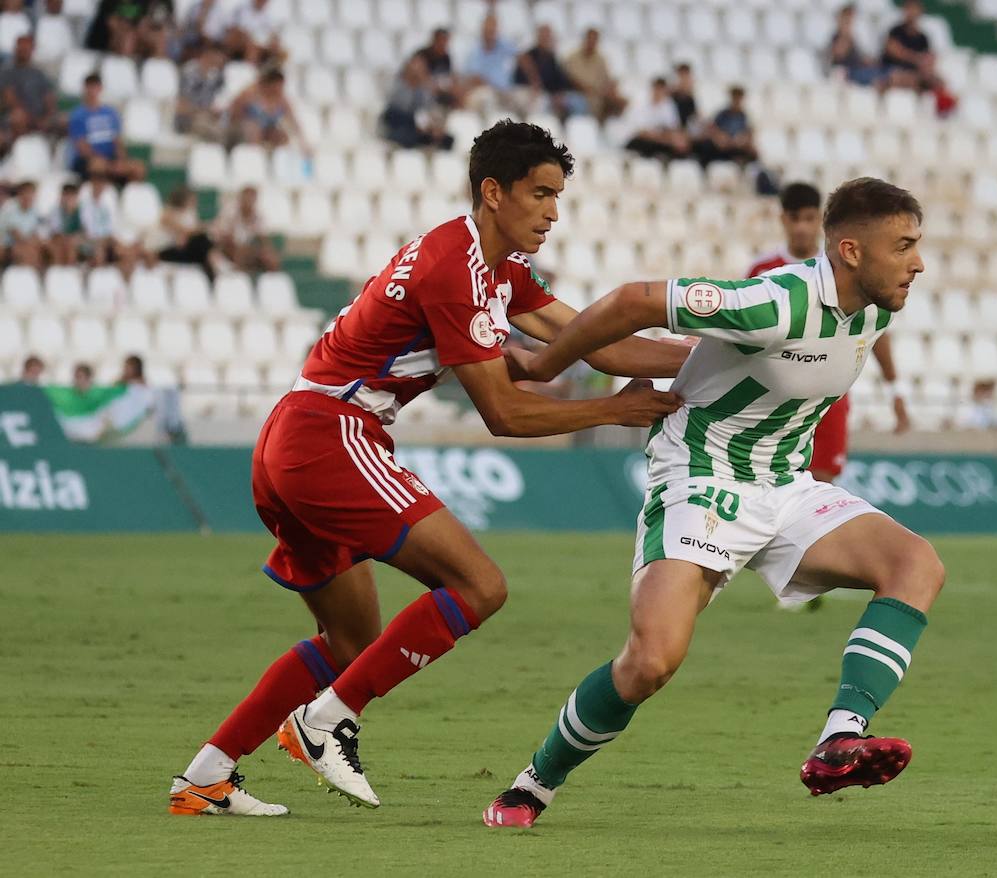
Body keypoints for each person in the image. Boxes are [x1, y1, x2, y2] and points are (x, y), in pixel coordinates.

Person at [167, 120, 691, 816]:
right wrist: (611, 414)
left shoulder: (494, 268)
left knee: (350, 640)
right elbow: (504, 412)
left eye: (559, 196)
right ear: (493, 191)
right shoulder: (456, 268)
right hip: (332, 436)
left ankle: (208, 773)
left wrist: (719, 358)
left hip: (294, 436)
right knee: (479, 586)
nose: (553, 212)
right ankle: (328, 721)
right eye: (540, 193)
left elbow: (591, 345)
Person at [481, 177, 943, 828]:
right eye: (903, 246)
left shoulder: (878, 308)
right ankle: (533, 784)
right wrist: (542, 365)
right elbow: (634, 301)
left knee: (916, 565)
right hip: (701, 476)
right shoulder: (775, 303)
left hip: (784, 483)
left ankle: (840, 738)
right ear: (849, 251)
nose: (918, 262)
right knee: (649, 663)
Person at [748, 182, 911, 479]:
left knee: (822, 487)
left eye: (809, 218)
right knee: (768, 485)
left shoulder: (846, 269)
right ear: (783, 219)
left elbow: (876, 330)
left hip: (828, 396)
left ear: (820, 221)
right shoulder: (763, 271)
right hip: (775, 395)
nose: (801, 227)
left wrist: (895, 392)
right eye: (794, 218)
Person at [881, 1, 957, 117]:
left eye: (915, 10)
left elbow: (928, 57)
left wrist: (925, 63)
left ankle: (942, 110)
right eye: (910, 9)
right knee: (905, 79)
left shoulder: (923, 37)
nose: (912, 13)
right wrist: (916, 58)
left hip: (916, 73)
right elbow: (893, 50)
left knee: (939, 81)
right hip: (895, 70)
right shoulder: (896, 31)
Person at [68, 74, 147, 182]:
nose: (92, 91)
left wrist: (121, 160)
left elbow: (117, 141)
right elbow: (82, 147)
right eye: (89, 87)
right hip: (87, 160)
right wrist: (106, 162)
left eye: (95, 87)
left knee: (138, 168)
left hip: (110, 158)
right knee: (98, 165)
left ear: (100, 89)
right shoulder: (78, 115)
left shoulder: (110, 113)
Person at [514, 24, 588, 120]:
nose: (546, 39)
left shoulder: (551, 58)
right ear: (538, 37)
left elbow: (560, 81)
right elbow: (520, 80)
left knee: (579, 101)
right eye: (544, 36)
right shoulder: (528, 57)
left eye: (548, 36)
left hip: (552, 95)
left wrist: (559, 94)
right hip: (536, 95)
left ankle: (575, 126)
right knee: (539, 103)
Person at [380, 55, 454, 151]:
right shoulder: (398, 88)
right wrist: (416, 121)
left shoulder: (424, 92)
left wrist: (433, 126)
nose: (418, 73)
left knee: (446, 139)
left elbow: (429, 111)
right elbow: (393, 115)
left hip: (419, 130)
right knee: (407, 133)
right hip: (398, 128)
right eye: (416, 70)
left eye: (421, 70)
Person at [1, 35, 64, 139]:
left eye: (27, 49)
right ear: (16, 49)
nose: (23, 51)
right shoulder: (7, 72)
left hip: (41, 117)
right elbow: (10, 99)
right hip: (20, 115)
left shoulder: (38, 73)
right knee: (18, 116)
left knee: (64, 120)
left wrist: (48, 116)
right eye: (21, 48)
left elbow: (49, 98)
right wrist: (34, 119)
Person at [561, 28, 625, 122]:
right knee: (578, 102)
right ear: (585, 40)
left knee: (621, 102)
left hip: (597, 96)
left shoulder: (601, 59)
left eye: (594, 40)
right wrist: (595, 91)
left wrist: (610, 90)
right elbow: (572, 81)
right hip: (577, 95)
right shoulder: (572, 57)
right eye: (590, 39)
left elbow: (607, 80)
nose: (592, 42)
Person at [150, 185, 216, 275]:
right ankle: (216, 265)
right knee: (202, 240)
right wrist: (205, 227)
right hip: (166, 250)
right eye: (192, 199)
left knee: (203, 243)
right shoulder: (167, 213)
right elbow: (184, 231)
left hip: (183, 248)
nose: (195, 202)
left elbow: (188, 235)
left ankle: (213, 267)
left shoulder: (190, 214)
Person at [227, 69, 302, 148]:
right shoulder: (250, 93)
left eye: (281, 86)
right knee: (253, 130)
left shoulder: (282, 99)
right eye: (276, 86)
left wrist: (303, 141)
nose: (279, 89)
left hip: (267, 130)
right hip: (245, 128)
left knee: (282, 136)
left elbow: (293, 121)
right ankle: (254, 154)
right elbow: (233, 113)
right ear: (269, 84)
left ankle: (273, 156)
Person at [212, 186, 279, 272]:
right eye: (247, 198)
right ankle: (237, 274)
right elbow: (223, 235)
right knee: (239, 250)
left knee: (271, 258)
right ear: (241, 198)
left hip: (247, 248)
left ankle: (271, 282)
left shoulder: (258, 216)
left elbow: (264, 238)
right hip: (226, 247)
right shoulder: (230, 211)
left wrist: (268, 252)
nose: (249, 202)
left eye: (252, 199)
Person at [463, 14, 519, 113]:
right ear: (483, 28)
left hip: (505, 92)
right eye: (488, 28)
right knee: (487, 97)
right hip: (485, 92)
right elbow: (475, 78)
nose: (491, 31)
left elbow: (521, 56)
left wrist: (535, 82)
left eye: (493, 28)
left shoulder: (503, 44)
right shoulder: (475, 49)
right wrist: (495, 88)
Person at [624, 77, 689, 161]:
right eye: (657, 89)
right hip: (639, 140)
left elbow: (673, 128)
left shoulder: (668, 104)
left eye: (661, 89)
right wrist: (663, 138)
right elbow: (641, 132)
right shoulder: (640, 103)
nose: (659, 92)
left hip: (659, 140)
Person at [692, 85, 758, 167]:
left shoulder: (744, 116)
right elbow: (712, 128)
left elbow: (749, 132)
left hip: (736, 146)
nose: (737, 101)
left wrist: (742, 139)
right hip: (722, 145)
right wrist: (720, 137)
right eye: (735, 98)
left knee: (753, 152)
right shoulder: (722, 114)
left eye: (739, 98)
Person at [175, 42, 226, 141]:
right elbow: (181, 106)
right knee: (216, 133)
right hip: (187, 119)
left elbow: (214, 102)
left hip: (205, 118)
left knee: (226, 129)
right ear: (209, 55)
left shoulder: (214, 76)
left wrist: (213, 111)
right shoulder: (190, 73)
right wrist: (203, 111)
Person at [829, 4, 885, 87]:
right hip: (846, 72)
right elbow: (838, 55)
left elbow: (859, 58)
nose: (851, 22)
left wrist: (870, 62)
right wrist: (845, 33)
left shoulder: (852, 37)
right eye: (848, 19)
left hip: (857, 69)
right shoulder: (837, 36)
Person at [0, 181, 47, 268]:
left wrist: (36, 242)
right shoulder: (10, 207)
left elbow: (35, 233)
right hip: (7, 245)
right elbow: (16, 235)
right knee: (24, 251)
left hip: (25, 243)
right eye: (26, 193)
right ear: (20, 194)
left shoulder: (35, 209)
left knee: (43, 247)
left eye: (31, 193)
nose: (29, 196)